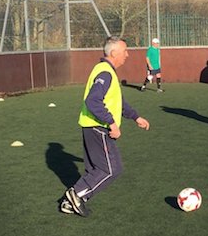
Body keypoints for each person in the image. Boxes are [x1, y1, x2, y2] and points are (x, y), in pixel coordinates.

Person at [62, 37, 150, 217]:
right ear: (114, 53)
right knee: (110, 169)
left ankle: (69, 204)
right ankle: (75, 195)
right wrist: (111, 123)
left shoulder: (106, 71)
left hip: (92, 127)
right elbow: (93, 101)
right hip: (98, 127)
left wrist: (135, 117)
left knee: (96, 169)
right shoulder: (105, 73)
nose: (127, 54)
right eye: (125, 51)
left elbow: (118, 101)